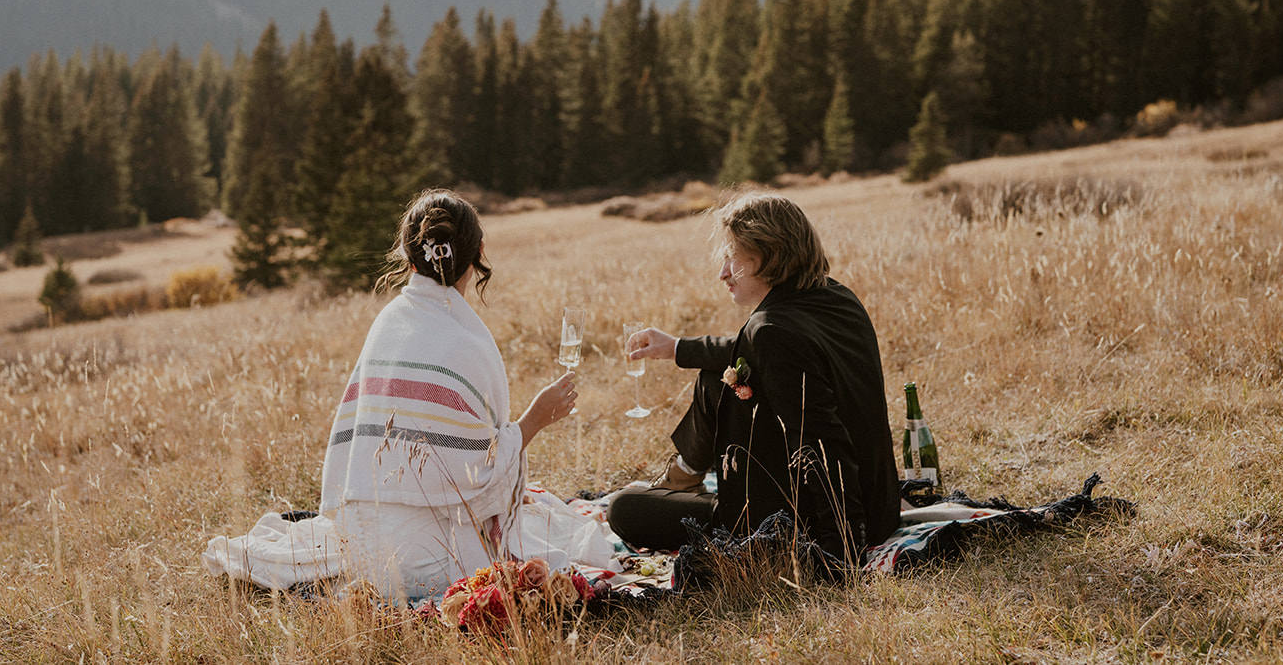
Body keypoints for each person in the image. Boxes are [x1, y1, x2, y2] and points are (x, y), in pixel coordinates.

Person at [203, 189, 583, 597]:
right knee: (555, 547)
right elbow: (480, 476)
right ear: (478, 252)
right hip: (433, 561)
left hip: (361, 549)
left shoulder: (388, 322)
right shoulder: (469, 341)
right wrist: (536, 419)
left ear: (409, 254)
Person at [608, 191, 901, 562]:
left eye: (731, 256)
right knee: (718, 377)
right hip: (880, 501)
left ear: (768, 254)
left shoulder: (772, 330)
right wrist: (676, 347)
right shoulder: (834, 295)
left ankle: (693, 487)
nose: (722, 272)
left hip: (799, 518)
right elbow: (751, 349)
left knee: (624, 507)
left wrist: (841, 544)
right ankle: (686, 475)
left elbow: (821, 442)